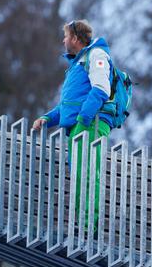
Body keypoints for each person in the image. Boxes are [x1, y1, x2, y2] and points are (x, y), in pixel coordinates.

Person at [32, 19, 114, 229]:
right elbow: (67, 106)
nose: (63, 40)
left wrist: (83, 119)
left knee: (87, 175)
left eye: (67, 36)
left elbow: (101, 90)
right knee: (79, 176)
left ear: (76, 38)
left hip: (89, 124)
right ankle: (83, 225)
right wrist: (48, 118)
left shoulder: (96, 56)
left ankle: (90, 228)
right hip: (79, 126)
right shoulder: (77, 64)